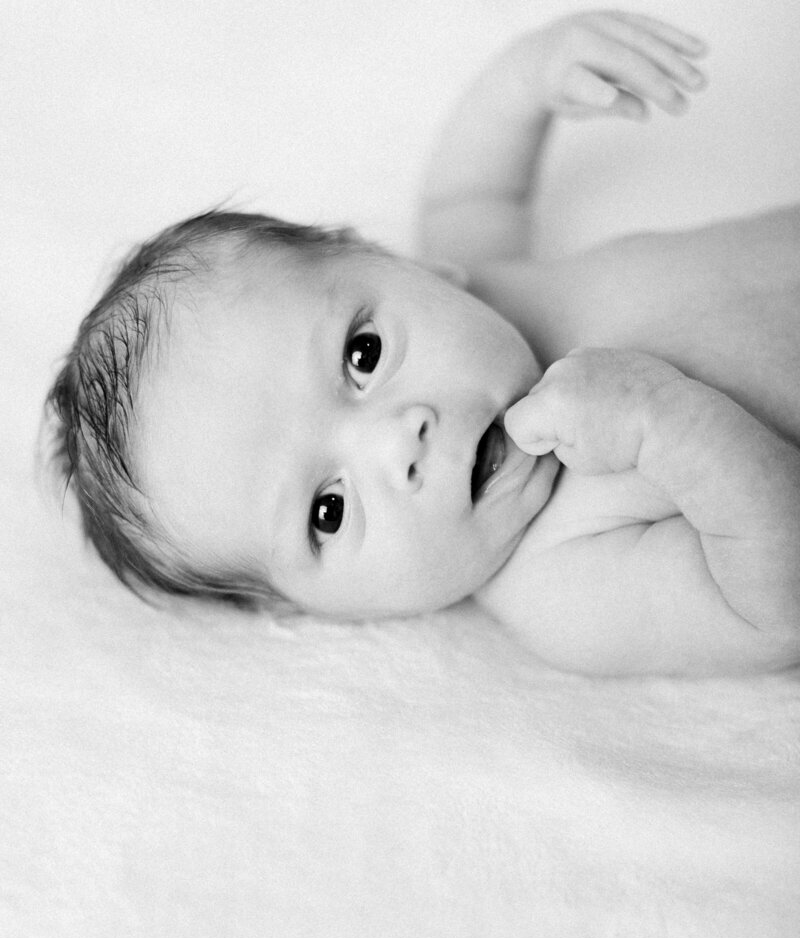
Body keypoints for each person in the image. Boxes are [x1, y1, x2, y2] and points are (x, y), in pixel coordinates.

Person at [46, 10, 800, 676]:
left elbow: (471, 191)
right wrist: (666, 424)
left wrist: (532, 76)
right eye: (328, 512)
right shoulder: (564, 585)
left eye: (362, 356)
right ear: (328, 613)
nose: (396, 444)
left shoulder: (475, 291)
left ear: (406, 266)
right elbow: (776, 606)